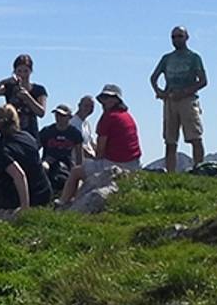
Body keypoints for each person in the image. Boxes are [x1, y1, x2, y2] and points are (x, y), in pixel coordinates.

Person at [58, 84, 142, 204]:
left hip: (115, 164)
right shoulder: (127, 116)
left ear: (116, 100)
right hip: (134, 164)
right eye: (103, 98)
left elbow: (100, 148)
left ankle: (62, 202)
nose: (104, 101)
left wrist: (96, 160)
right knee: (83, 167)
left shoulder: (108, 118)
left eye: (108, 98)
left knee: (76, 172)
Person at [149, 25, 207, 172]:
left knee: (195, 137)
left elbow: (203, 80)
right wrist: (160, 92)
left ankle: (199, 169)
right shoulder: (167, 58)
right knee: (170, 140)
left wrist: (186, 91)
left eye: (179, 36)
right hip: (170, 100)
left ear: (187, 37)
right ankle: (171, 172)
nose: (176, 39)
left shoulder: (194, 58)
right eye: (173, 37)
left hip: (188, 100)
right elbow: (153, 77)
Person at [0, 53, 48, 137]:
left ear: (31, 71)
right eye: (19, 71)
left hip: (30, 134)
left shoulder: (39, 90)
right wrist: (5, 81)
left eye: (26, 71)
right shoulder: (9, 88)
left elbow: (41, 112)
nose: (23, 75)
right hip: (11, 133)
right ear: (15, 71)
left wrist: (28, 98)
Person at [37, 104, 84, 194]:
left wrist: (79, 169)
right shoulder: (47, 131)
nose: (59, 117)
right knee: (43, 167)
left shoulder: (75, 133)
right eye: (57, 115)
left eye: (62, 115)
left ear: (69, 117)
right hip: (49, 161)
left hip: (67, 162)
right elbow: (36, 148)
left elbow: (79, 155)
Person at [70, 95, 97, 160]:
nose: (89, 109)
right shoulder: (72, 123)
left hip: (91, 159)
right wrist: (92, 156)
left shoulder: (87, 124)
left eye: (91, 107)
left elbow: (91, 143)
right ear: (79, 105)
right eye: (86, 106)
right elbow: (76, 145)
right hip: (79, 161)